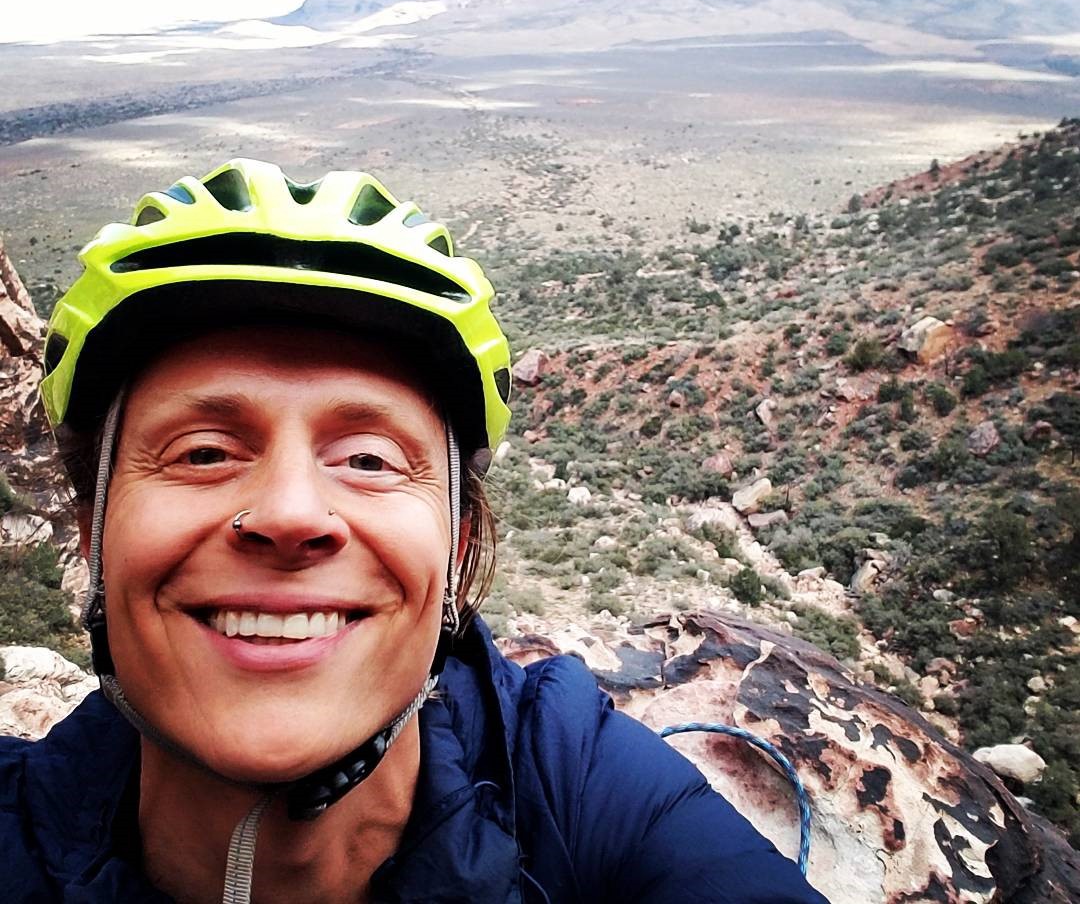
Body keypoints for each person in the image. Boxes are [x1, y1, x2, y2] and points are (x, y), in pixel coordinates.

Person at [0, 159, 828, 903]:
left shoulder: (576, 788)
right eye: (204, 452)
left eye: (369, 459)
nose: (290, 514)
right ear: (94, 531)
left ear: (459, 546)